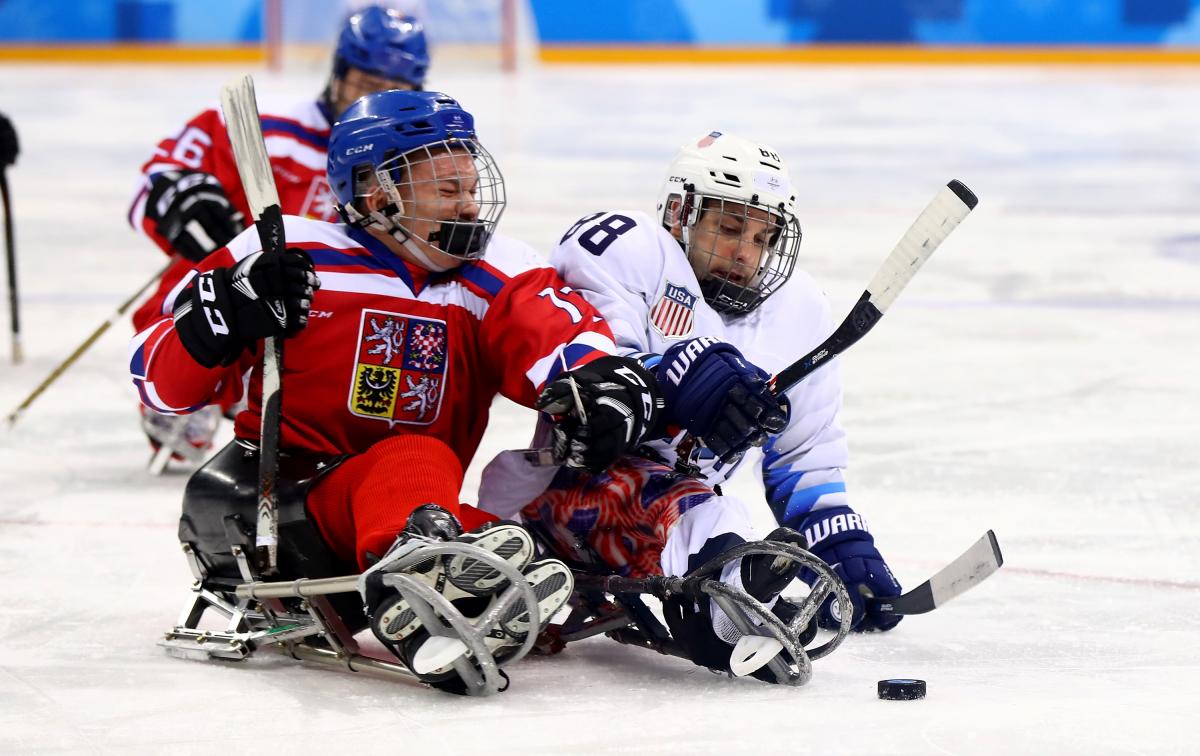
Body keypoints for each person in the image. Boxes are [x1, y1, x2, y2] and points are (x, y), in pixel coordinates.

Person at [129, 88, 683, 694]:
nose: (471, 207)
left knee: (522, 550)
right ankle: (426, 580)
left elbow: (555, 330)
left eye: (473, 187)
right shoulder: (281, 254)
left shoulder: (496, 273)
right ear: (377, 194)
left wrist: (601, 379)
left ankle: (451, 577)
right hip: (265, 511)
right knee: (420, 453)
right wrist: (229, 311)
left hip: (395, 515)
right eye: (448, 191)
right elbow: (159, 383)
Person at [482, 131, 903, 662]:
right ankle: (725, 609)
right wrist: (685, 378)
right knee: (709, 516)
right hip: (562, 497)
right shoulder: (630, 249)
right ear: (681, 212)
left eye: (763, 238)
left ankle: (730, 587)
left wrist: (842, 543)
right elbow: (594, 384)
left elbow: (806, 455)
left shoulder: (800, 312)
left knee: (713, 512)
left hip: (684, 514)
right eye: (729, 228)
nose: (745, 253)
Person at [128, 5, 430, 469]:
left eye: (391, 89)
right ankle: (204, 379)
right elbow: (158, 178)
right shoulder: (264, 128)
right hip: (250, 291)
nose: (370, 100)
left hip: (337, 319)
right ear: (336, 72)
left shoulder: (419, 162)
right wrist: (180, 201)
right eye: (363, 84)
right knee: (193, 280)